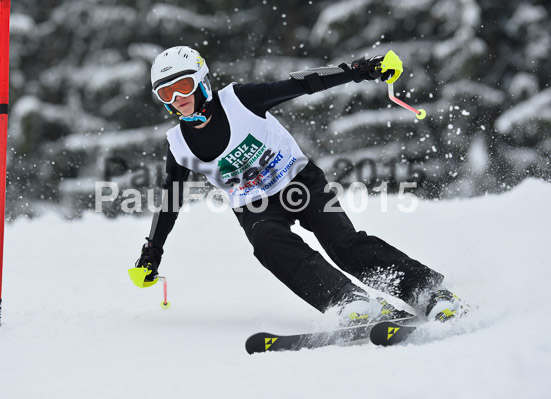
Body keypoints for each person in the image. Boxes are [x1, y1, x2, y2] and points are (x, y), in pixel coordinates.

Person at [132, 45, 466, 324]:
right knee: (266, 242)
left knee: (344, 245)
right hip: (254, 204)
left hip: (298, 181)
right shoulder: (179, 144)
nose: (177, 98)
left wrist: (359, 70)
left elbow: (302, 83)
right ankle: (349, 301)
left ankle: (428, 291)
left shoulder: (239, 101)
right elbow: (170, 200)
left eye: (184, 86)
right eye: (166, 92)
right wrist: (152, 254)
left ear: (202, 81)